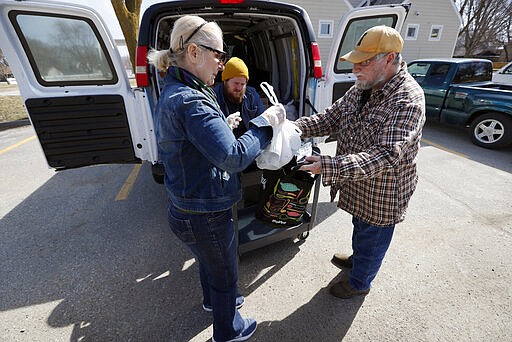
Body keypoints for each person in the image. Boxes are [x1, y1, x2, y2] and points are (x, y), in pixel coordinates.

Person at [147, 15, 285, 341]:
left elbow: (195, 139)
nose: (221, 65)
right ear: (194, 52)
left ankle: (213, 303)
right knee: (225, 273)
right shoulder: (191, 100)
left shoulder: (178, 90)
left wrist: (223, 123)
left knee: (209, 261)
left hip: (185, 208)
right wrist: (264, 124)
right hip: (206, 213)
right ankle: (229, 330)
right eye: (218, 55)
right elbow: (234, 157)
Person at [294, 25, 426, 299]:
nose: (356, 68)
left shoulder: (407, 99)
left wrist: (328, 165)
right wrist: (292, 128)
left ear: (390, 59)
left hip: (383, 192)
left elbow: (386, 155)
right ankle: (358, 260)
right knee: (360, 227)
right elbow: (330, 118)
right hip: (358, 184)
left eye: (364, 62)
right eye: (355, 61)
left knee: (374, 236)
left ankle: (359, 282)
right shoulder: (362, 87)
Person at [213, 57, 266, 138]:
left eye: (242, 84)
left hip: (249, 141)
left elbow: (262, 122)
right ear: (225, 81)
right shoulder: (214, 98)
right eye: (236, 83)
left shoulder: (251, 95)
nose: (239, 88)